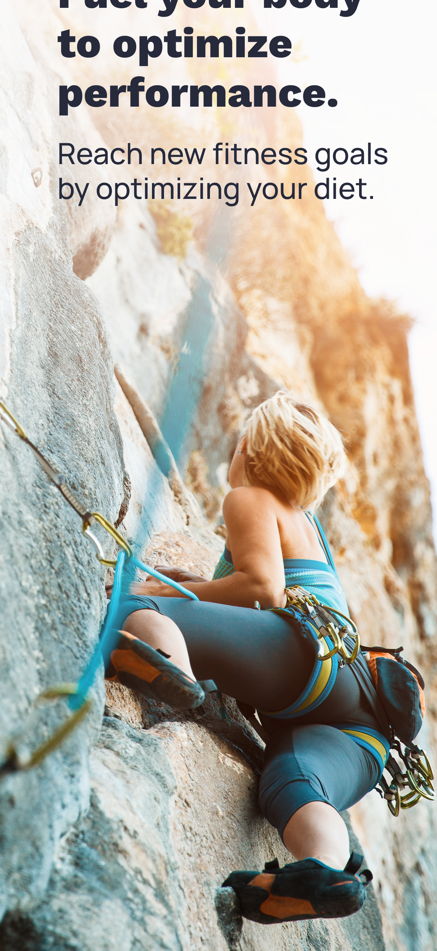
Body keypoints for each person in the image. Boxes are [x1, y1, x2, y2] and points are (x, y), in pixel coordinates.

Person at [108, 391, 388, 923]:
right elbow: (253, 595)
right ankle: (323, 871)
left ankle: (172, 668)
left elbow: (262, 588)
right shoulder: (309, 527)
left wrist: (162, 594)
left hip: (301, 659)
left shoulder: (250, 495)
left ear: (250, 453)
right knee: (293, 784)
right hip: (359, 723)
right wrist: (197, 589)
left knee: (131, 604)